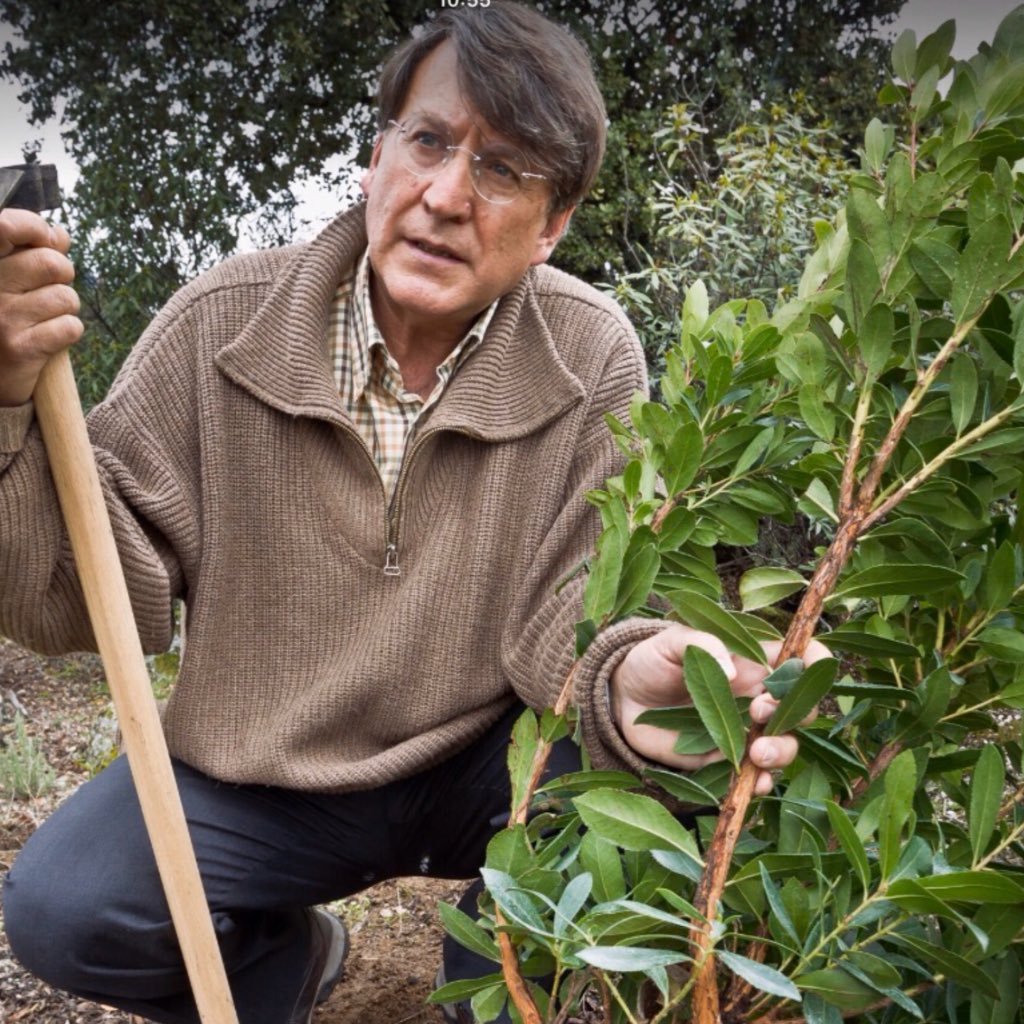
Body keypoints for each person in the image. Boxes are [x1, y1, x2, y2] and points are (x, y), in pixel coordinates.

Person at [0, 4, 821, 1023]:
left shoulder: (591, 352)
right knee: (66, 908)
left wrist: (627, 680)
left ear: (553, 225)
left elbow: (566, 619)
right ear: (374, 156)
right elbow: (76, 600)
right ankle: (276, 969)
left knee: (661, 798)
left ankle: (480, 995)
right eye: (428, 142)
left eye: (504, 169)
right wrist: (1, 407)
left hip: (480, 762)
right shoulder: (219, 325)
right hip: (262, 769)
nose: (443, 195)